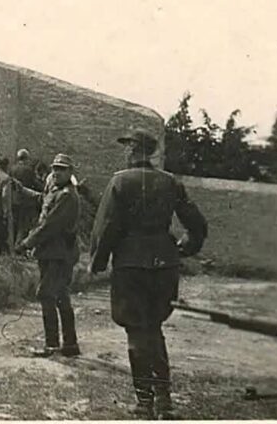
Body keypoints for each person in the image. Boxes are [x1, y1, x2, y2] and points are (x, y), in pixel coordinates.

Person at [90, 130, 208, 420]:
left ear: (133, 149)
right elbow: (197, 223)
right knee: (154, 328)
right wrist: (187, 246)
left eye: (127, 146)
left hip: (131, 265)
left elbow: (106, 226)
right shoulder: (170, 182)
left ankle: (145, 402)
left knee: (136, 331)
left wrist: (98, 261)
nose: (125, 151)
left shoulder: (120, 181)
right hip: (165, 264)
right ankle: (164, 400)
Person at [15, 153, 81, 358]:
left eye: (62, 169)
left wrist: (26, 243)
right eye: (55, 168)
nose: (57, 173)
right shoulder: (57, 191)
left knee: (46, 294)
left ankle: (52, 344)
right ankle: (70, 344)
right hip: (53, 252)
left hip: (58, 253)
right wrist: (23, 190)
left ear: (70, 172)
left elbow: (50, 225)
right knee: (60, 295)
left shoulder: (67, 195)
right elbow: (43, 199)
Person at [10, 148, 41, 245]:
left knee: (14, 224)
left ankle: (12, 245)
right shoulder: (28, 170)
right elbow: (34, 183)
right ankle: (20, 246)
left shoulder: (12, 169)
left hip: (14, 200)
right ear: (26, 158)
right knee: (23, 225)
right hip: (26, 201)